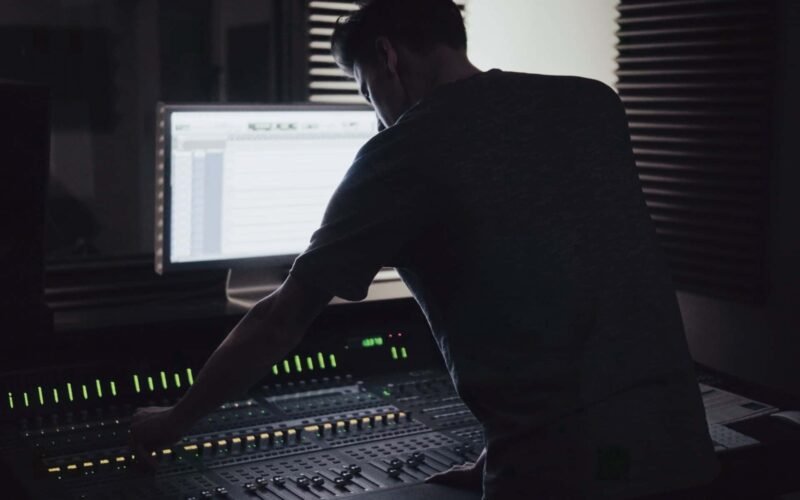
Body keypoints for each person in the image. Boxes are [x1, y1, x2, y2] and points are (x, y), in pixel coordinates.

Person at [130, 0, 720, 498]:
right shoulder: (591, 103)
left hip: (562, 473)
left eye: (366, 91)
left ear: (387, 56)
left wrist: (172, 421)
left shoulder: (405, 150)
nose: (377, 115)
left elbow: (281, 321)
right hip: (679, 445)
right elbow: (573, 275)